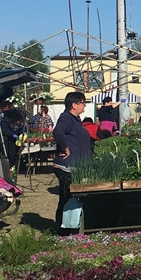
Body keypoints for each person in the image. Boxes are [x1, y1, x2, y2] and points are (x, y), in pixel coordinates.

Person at [52, 91, 92, 235]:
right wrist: (65, 148)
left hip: (75, 166)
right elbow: (57, 131)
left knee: (70, 198)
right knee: (66, 198)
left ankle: (70, 228)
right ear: (74, 105)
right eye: (82, 102)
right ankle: (62, 231)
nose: (84, 105)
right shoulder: (67, 118)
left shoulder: (75, 119)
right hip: (66, 167)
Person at [0, 108, 24, 173]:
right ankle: (8, 168)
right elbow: (5, 130)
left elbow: (20, 129)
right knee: (8, 155)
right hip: (6, 140)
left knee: (14, 155)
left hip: (14, 141)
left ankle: (13, 167)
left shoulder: (18, 122)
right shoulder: (5, 121)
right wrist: (13, 134)